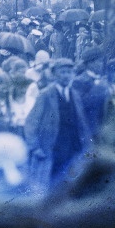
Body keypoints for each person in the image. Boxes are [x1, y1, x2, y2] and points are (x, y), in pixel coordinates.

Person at [23, 58, 92, 193]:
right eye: (63, 72)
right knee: (53, 181)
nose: (66, 75)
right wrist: (35, 146)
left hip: (73, 145)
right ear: (54, 75)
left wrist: (88, 143)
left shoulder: (74, 94)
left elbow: (82, 122)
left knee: (72, 179)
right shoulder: (46, 95)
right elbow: (32, 121)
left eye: (69, 72)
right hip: (54, 147)